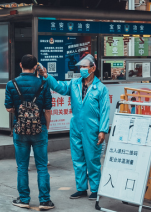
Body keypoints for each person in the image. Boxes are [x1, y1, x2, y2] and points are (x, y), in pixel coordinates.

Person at [39, 54, 110, 200]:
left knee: (92, 160)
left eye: (85, 67)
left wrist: (103, 130)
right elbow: (59, 87)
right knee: (78, 159)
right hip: (76, 127)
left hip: (93, 128)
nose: (82, 69)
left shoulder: (100, 88)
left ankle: (95, 189)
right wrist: (47, 76)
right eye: (81, 67)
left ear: (93, 68)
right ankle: (81, 188)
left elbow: (104, 111)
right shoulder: (74, 84)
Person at [5, 54, 54, 210]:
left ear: (20, 65)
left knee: (22, 166)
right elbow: (47, 109)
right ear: (35, 67)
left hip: (20, 130)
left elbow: (9, 107)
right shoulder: (43, 84)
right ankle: (45, 200)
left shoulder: (11, 84)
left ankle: (24, 199)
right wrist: (45, 125)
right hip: (39, 129)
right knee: (41, 166)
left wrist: (20, 114)